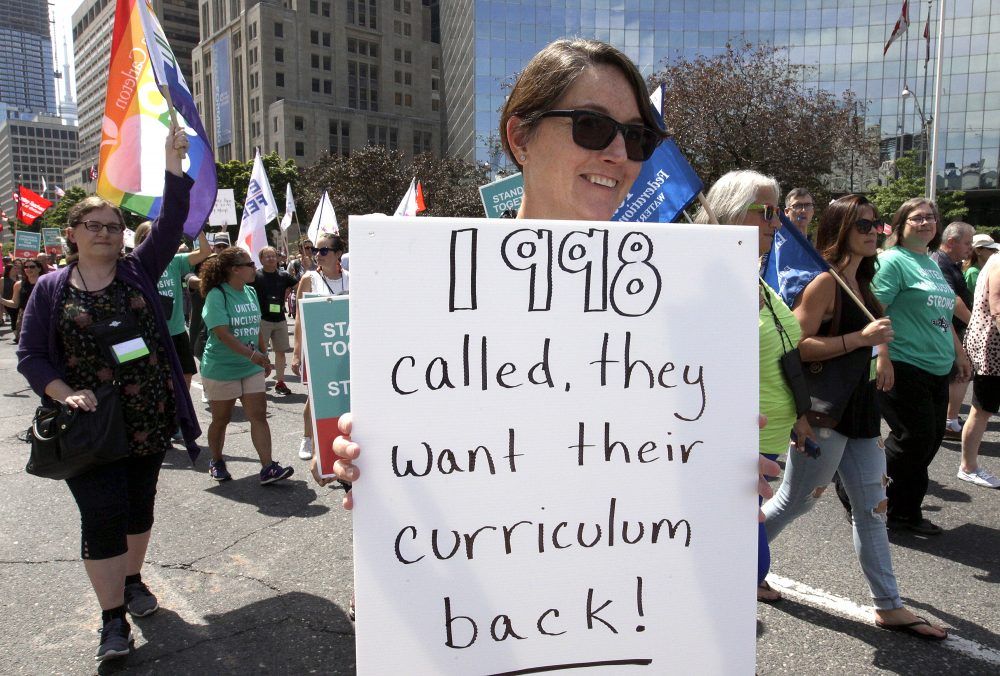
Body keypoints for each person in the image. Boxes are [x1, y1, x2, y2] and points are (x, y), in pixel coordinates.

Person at [322, 39, 782, 558]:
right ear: (521, 137)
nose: (618, 154)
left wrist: (724, 469)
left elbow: (658, 454)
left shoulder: (680, 300)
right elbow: (422, 454)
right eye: (592, 125)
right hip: (481, 608)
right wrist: (367, 459)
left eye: (637, 137)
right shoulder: (432, 288)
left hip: (629, 597)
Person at [15, 125, 200, 663]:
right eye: (94, 226)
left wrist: (172, 165)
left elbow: (171, 222)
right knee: (102, 515)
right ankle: (112, 620)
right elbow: (32, 356)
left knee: (139, 506)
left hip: (147, 415)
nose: (106, 234)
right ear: (72, 233)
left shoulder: (139, 270)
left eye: (114, 226)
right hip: (88, 424)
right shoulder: (51, 288)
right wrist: (64, 392)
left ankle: (135, 579)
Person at [762, 195, 948, 639]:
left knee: (873, 508)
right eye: (862, 224)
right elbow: (795, 345)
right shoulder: (825, 282)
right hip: (827, 412)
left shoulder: (864, 281)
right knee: (796, 501)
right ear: (840, 228)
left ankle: (889, 605)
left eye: (875, 223)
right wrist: (858, 340)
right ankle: (737, 560)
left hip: (861, 409)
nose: (872, 230)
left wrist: (880, 351)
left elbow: (875, 334)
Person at [694, 170, 815, 603]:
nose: (777, 224)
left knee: (742, 571)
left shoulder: (758, 279)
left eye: (778, 212)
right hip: (732, 450)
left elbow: (786, 351)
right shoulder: (703, 282)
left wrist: (800, 416)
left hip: (769, 440)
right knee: (744, 568)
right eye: (765, 212)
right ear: (727, 214)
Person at [873, 198, 971, 535]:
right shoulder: (892, 262)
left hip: (937, 365)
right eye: (918, 218)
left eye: (931, 217)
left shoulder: (929, 263)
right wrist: (881, 355)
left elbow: (942, 317)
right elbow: (876, 311)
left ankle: (897, 507)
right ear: (901, 225)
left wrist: (959, 353)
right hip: (902, 362)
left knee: (928, 442)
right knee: (914, 437)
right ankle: (872, 495)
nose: (926, 222)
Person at [199, 246, 294, 484]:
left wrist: (263, 355)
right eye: (250, 264)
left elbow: (256, 326)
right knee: (221, 419)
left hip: (250, 366)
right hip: (222, 368)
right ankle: (217, 460)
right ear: (234, 270)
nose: (255, 268)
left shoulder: (250, 292)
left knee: (258, 416)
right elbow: (222, 333)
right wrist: (254, 357)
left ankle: (268, 467)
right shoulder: (217, 294)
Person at [132, 222, 210, 393]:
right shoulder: (135, 265)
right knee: (155, 378)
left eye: (158, 235)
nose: (154, 241)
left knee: (186, 374)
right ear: (140, 241)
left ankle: (182, 409)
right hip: (151, 333)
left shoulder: (174, 260)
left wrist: (198, 226)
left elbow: (205, 252)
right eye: (148, 237)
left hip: (177, 331)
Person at [290, 233, 348, 460]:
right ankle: (307, 438)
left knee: (343, 394)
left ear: (338, 254)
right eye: (315, 250)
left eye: (324, 251)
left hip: (344, 348)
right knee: (315, 396)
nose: (317, 255)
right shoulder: (309, 279)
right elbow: (299, 318)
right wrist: (297, 352)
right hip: (319, 349)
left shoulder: (352, 278)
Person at [958, 249, 1000, 488]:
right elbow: (997, 309)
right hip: (992, 348)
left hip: (990, 346)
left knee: (984, 408)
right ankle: (968, 466)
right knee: (983, 408)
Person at [931, 222, 975, 439]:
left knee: (960, 374)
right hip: (948, 328)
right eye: (967, 242)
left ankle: (949, 419)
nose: (971, 248)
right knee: (960, 373)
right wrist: (975, 322)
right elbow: (952, 301)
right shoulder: (941, 263)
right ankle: (949, 421)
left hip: (953, 328)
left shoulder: (951, 263)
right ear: (951, 242)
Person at [251, 246, 298, 395]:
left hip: (280, 320)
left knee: (281, 352)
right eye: (267, 256)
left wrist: (289, 292)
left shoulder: (284, 276)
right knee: (261, 353)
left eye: (273, 256)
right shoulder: (255, 277)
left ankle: (280, 382)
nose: (271, 258)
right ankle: (258, 383)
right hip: (262, 320)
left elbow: (298, 285)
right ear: (261, 260)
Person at [2, 257, 44, 343]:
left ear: (39, 268)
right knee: (27, 344)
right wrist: (1, 300)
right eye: (26, 267)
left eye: (32, 267)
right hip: (25, 318)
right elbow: (15, 303)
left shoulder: (46, 282)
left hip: (43, 316)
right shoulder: (18, 285)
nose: (28, 269)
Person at [2, 258, 23, 332]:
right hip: (8, 301)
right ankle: (15, 332)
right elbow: (1, 292)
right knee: (14, 316)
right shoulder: (3, 279)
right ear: (9, 270)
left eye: (17, 269)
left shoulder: (20, 278)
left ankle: (17, 332)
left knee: (17, 316)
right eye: (14, 269)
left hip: (19, 300)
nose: (16, 270)